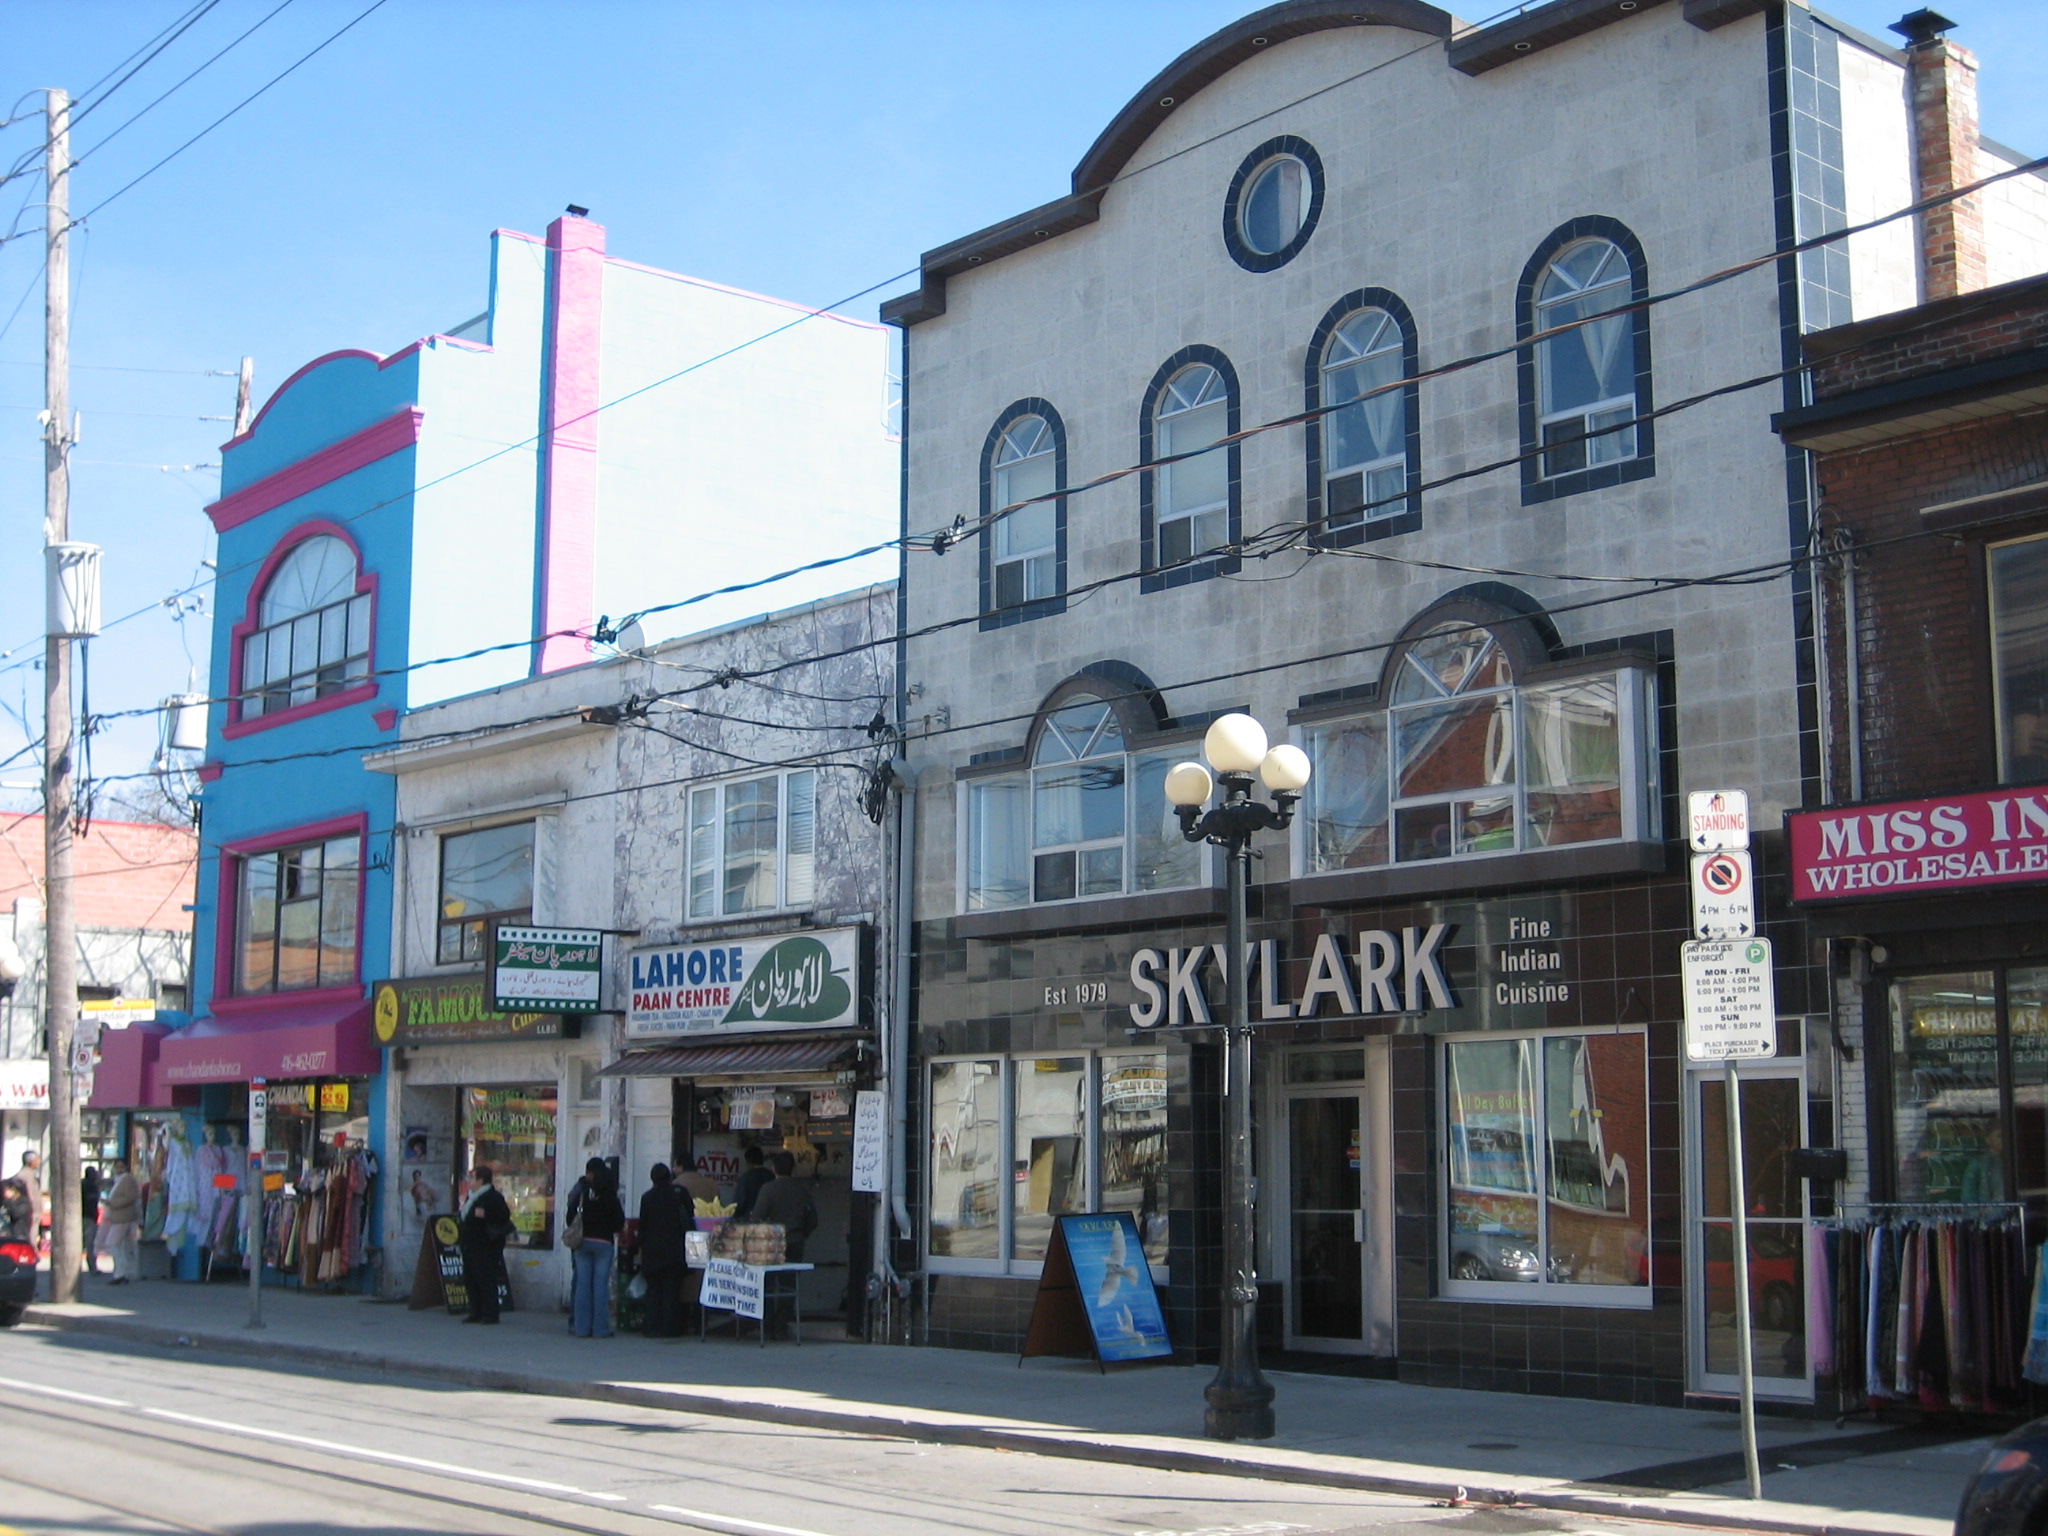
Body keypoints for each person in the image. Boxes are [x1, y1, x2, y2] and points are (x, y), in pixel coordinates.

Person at [564, 1158, 623, 1339]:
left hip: (583, 1242)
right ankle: (600, 1329)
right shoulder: (610, 1195)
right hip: (604, 1243)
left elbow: (570, 1216)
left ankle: (581, 1328)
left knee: (583, 1284)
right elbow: (618, 1222)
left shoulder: (582, 1192)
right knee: (600, 1286)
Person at [636, 1164, 688, 1339]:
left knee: (654, 1291)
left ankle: (652, 1326)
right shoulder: (679, 1195)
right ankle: (670, 1328)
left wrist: (640, 1247)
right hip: (675, 1249)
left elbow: (642, 1226)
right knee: (672, 1291)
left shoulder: (648, 1198)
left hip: (653, 1250)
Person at [457, 1165, 513, 1324]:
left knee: (486, 1279)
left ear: (481, 1180)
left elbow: (503, 1216)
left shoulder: (492, 1197)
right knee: (471, 1278)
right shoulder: (473, 1196)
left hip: (486, 1245)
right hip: (471, 1244)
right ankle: (475, 1311)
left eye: (472, 1178)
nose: (469, 1181)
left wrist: (486, 1215)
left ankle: (490, 1313)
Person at [97, 1159, 140, 1284]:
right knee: (121, 1246)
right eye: (117, 1167)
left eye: (121, 1166)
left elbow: (131, 1197)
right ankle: (122, 1272)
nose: (119, 1169)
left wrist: (113, 1203)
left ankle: (121, 1273)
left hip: (123, 1217)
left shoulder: (128, 1179)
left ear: (126, 1167)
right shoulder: (118, 1180)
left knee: (113, 1244)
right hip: (117, 1217)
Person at [733, 1144, 772, 1219]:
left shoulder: (745, 1178)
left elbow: (739, 1204)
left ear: (748, 1161)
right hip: (769, 1220)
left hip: (748, 1219)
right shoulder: (771, 1176)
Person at [17, 1151, 45, 1251]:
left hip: (33, 1211)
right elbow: (30, 1194)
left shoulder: (30, 1174)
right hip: (30, 1212)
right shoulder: (25, 1175)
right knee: (30, 1235)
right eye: (37, 1159)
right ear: (30, 1161)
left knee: (33, 1234)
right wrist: (33, 1209)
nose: (39, 1162)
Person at [80, 1166, 101, 1274]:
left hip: (82, 1217)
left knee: (83, 1243)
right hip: (89, 1217)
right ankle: (92, 1267)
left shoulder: (81, 1184)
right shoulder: (92, 1186)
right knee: (90, 1244)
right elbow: (93, 1202)